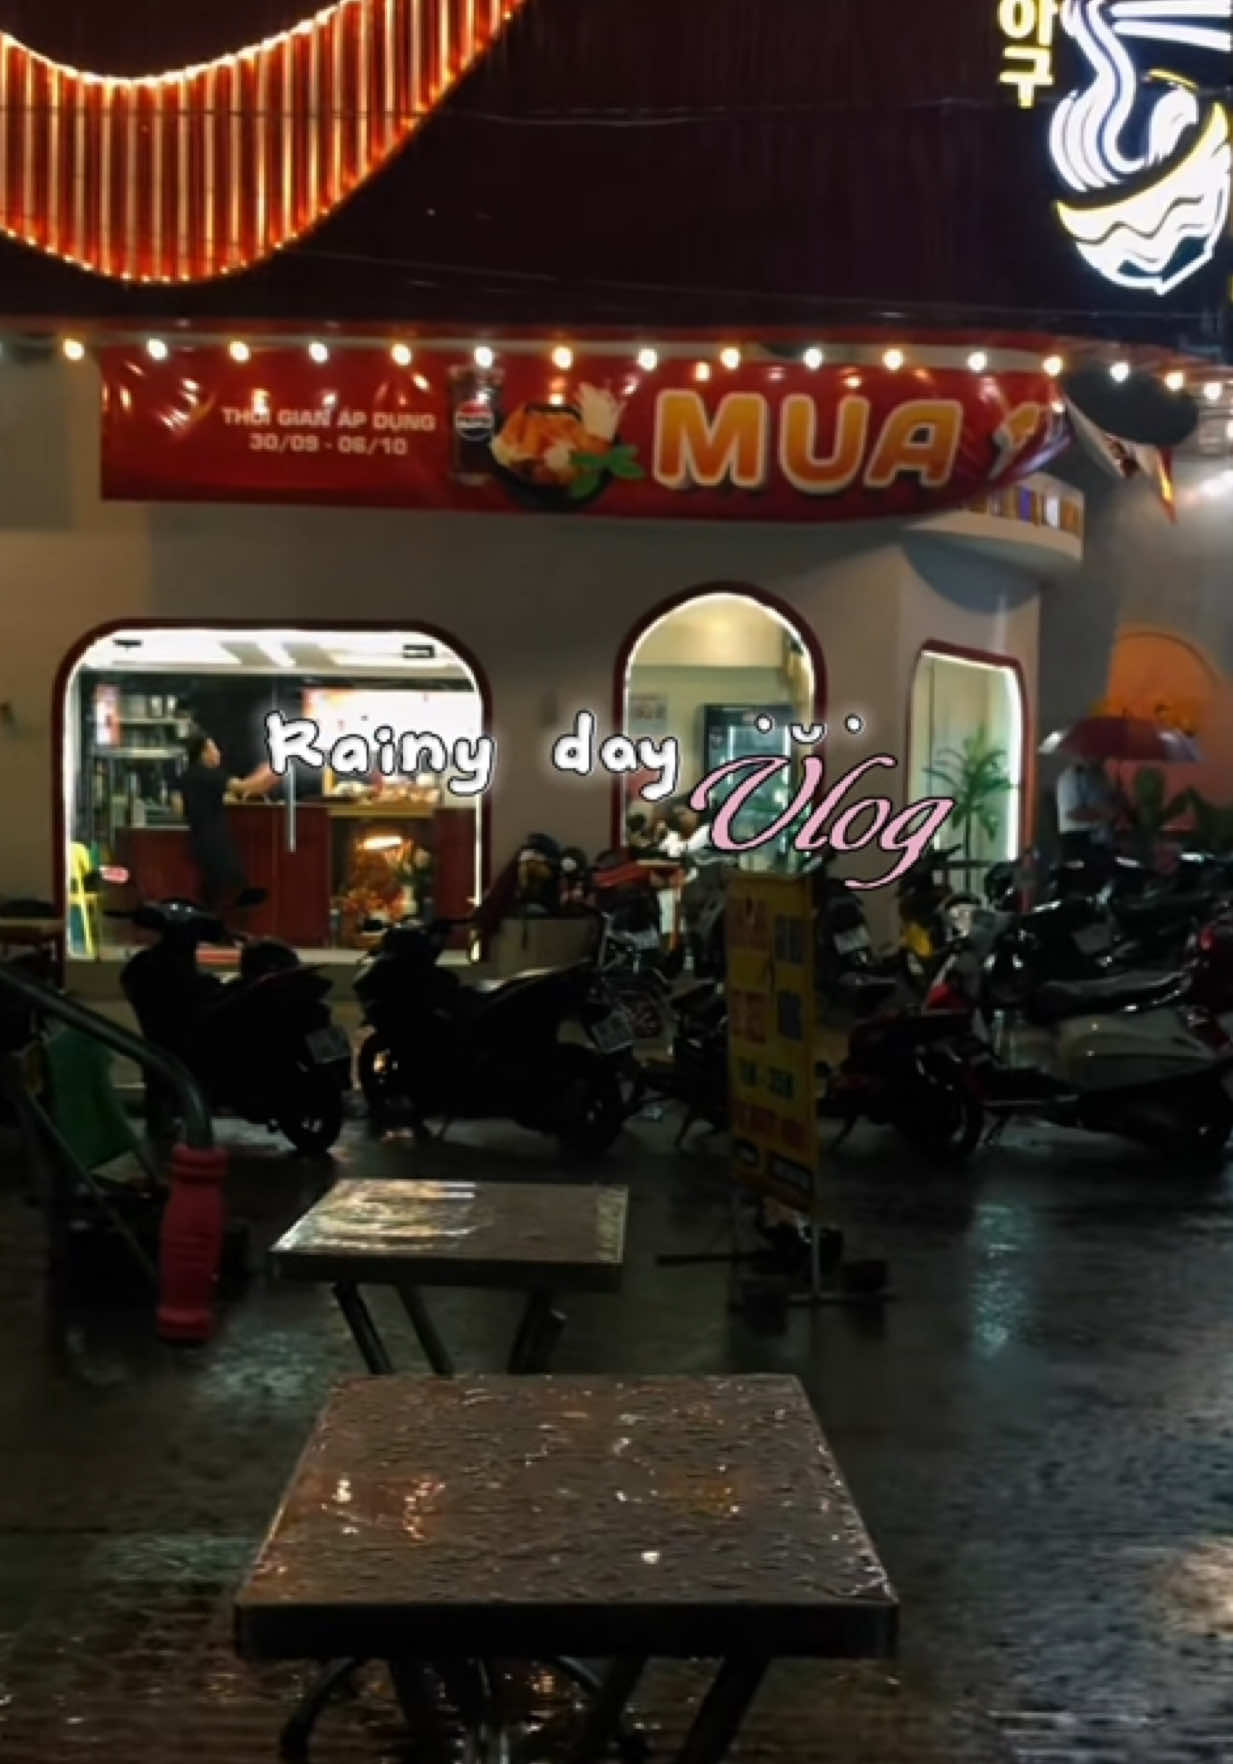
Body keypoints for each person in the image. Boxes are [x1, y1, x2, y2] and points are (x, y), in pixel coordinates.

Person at [177, 730, 280, 915]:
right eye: (213, 748)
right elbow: (245, 787)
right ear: (203, 753)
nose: (218, 753)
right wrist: (270, 772)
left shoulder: (189, 775)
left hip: (199, 842)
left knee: (214, 892)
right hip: (214, 843)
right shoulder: (208, 775)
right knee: (231, 889)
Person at [1055, 758, 1119, 860]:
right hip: (1078, 841)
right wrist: (1104, 814)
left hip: (1102, 841)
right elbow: (1072, 813)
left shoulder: (1101, 776)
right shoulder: (1072, 777)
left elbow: (1106, 802)